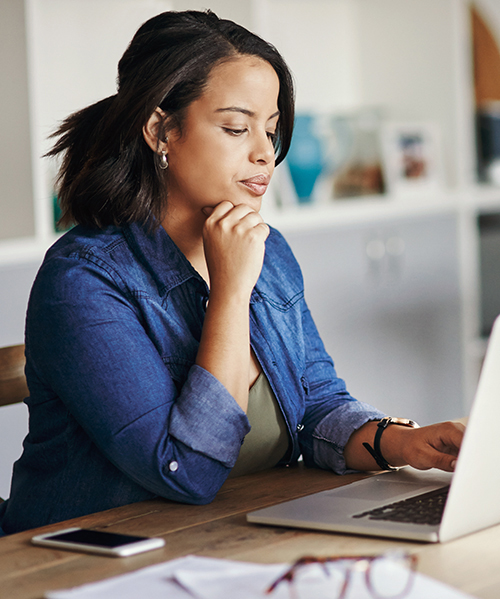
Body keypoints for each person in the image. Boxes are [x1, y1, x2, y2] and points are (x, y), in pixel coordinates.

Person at [0, 10, 464, 535]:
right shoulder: (84, 281)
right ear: (160, 130)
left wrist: (401, 442)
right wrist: (230, 291)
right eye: (236, 127)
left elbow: (315, 404)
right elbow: (185, 470)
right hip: (82, 562)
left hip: (231, 535)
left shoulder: (263, 247)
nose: (265, 153)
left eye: (270, 130)